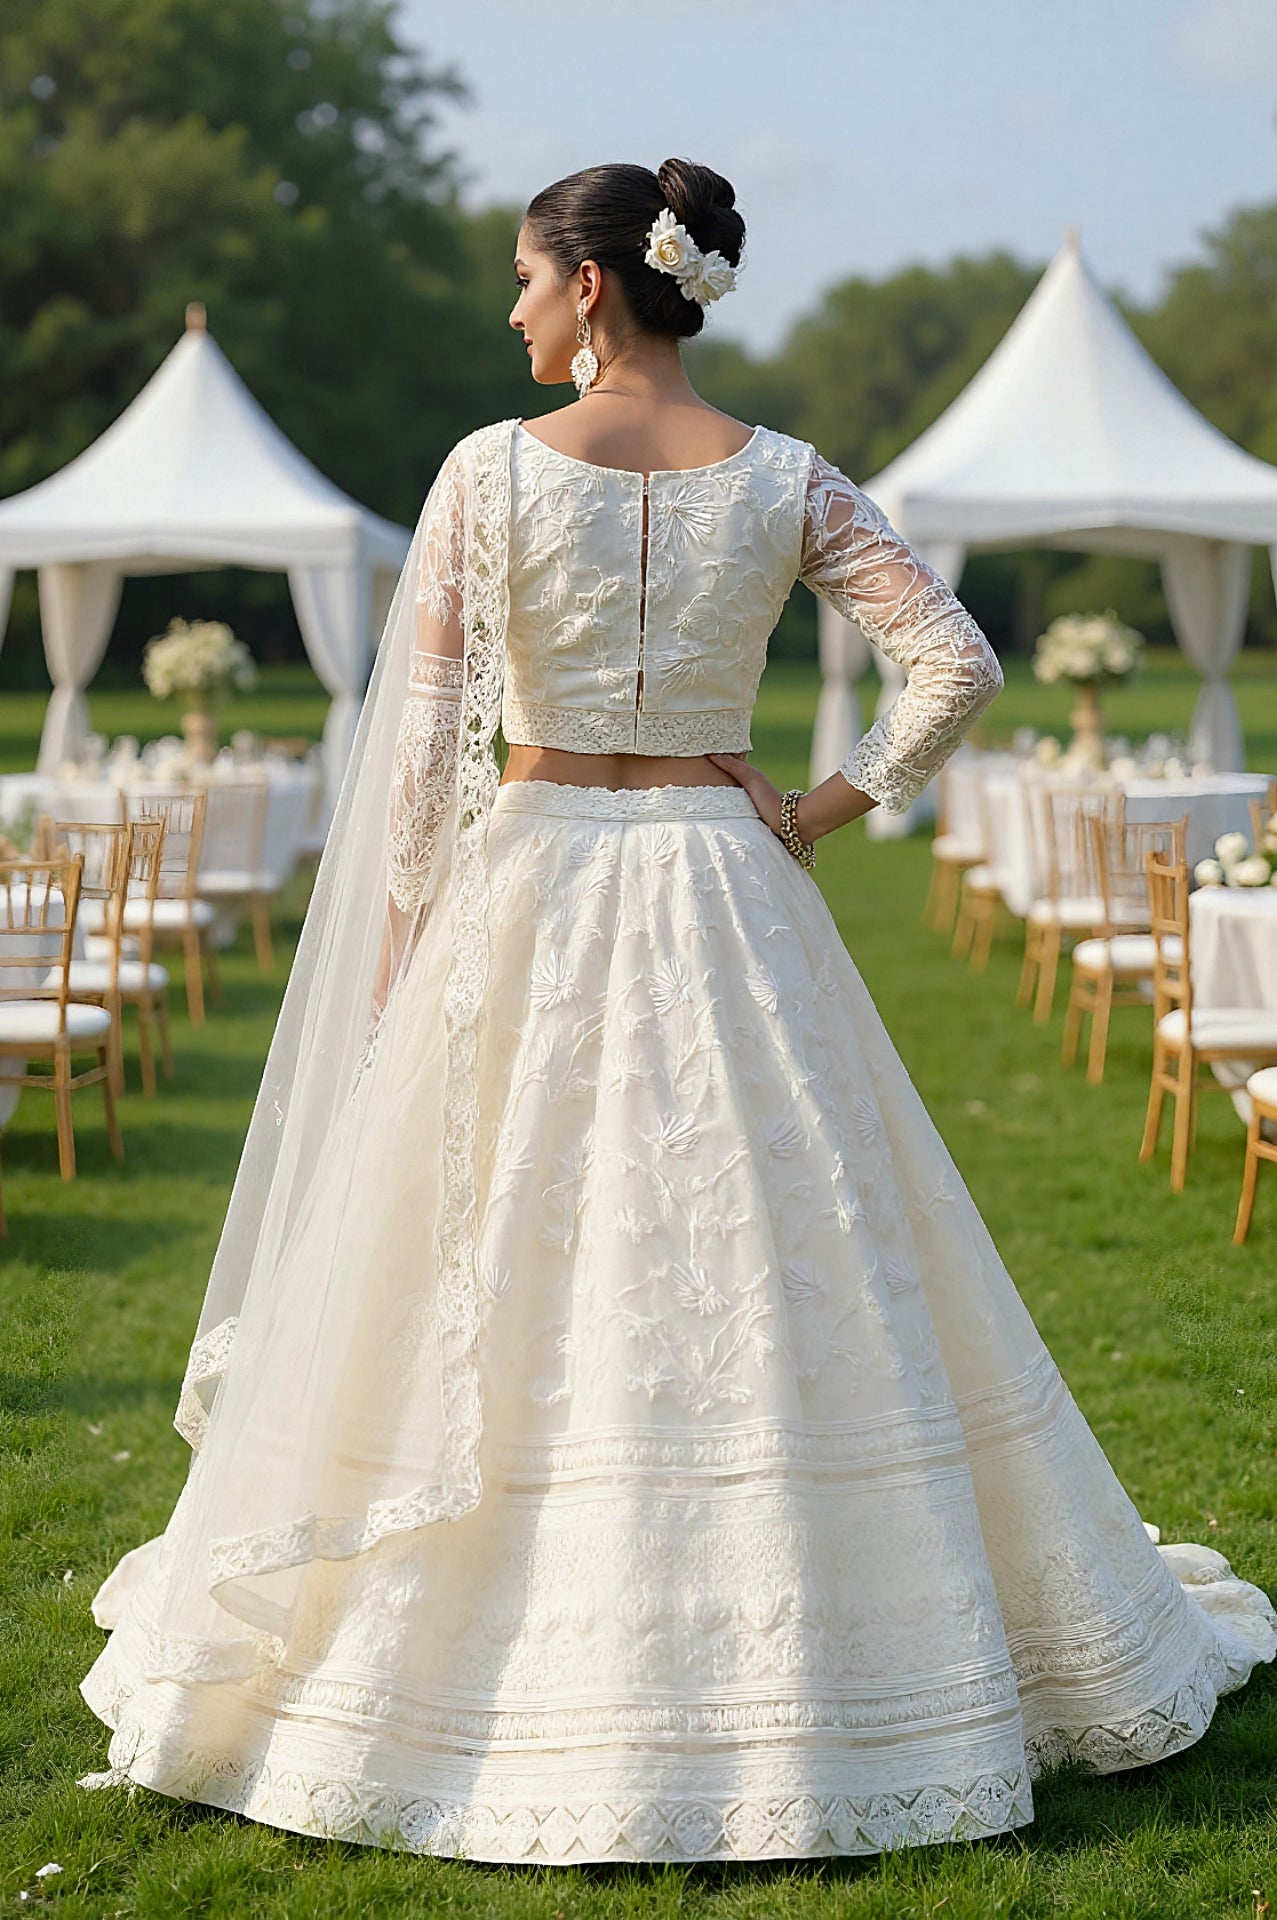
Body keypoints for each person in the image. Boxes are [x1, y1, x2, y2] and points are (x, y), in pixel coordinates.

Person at [78, 159, 1275, 1866]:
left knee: (505, 1247)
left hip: (534, 873)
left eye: (518, 276)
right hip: (727, 881)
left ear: (588, 287)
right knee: (756, 1239)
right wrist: (813, 809)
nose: (507, 308)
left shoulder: (485, 476)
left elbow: (418, 754)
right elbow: (957, 665)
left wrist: (395, 953)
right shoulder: (788, 480)